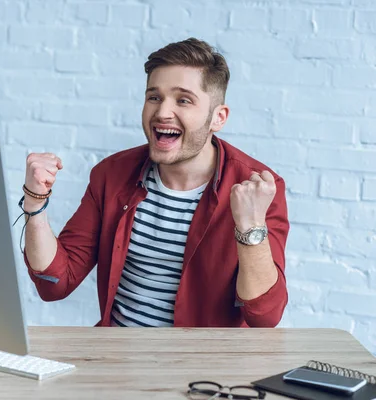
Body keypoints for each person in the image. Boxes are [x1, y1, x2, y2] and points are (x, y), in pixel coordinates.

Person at [18, 38, 289, 328]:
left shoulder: (257, 188)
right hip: (118, 358)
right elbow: (55, 283)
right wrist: (35, 203)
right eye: (154, 97)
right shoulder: (112, 174)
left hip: (200, 368)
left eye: (183, 99)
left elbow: (264, 316)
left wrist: (250, 228)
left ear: (217, 117)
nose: (162, 112)